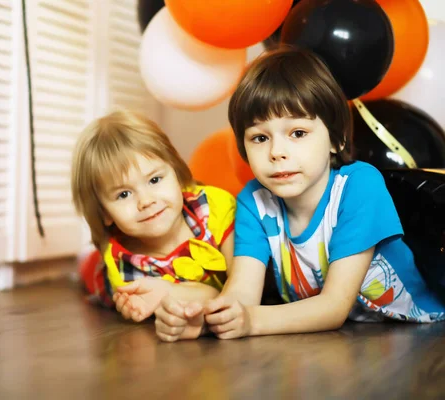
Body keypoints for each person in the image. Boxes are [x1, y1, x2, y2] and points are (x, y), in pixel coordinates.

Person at [155, 47, 445, 342]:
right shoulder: (253, 201)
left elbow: (334, 307)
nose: (277, 152)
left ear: (336, 139)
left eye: (297, 133)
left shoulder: (359, 186)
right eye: (259, 137)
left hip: (418, 334)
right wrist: (205, 320)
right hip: (336, 340)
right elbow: (243, 293)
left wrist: (250, 321)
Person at [71, 109, 235, 338]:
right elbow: (180, 311)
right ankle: (85, 263)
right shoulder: (125, 268)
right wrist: (169, 298)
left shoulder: (214, 209)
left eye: (155, 180)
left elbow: (239, 293)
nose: (146, 201)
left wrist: (172, 291)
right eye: (124, 194)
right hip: (106, 276)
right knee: (93, 276)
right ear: (104, 213)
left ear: (177, 174)